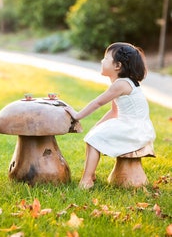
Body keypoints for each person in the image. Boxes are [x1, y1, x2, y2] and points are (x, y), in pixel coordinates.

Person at [64, 42, 156, 189]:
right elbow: (114, 111)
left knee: (94, 139)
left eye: (105, 58)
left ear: (117, 65)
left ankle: (87, 179)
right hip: (135, 126)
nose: (102, 61)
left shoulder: (121, 84)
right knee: (93, 135)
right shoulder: (123, 83)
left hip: (134, 130)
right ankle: (90, 174)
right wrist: (98, 125)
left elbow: (97, 103)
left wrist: (77, 115)